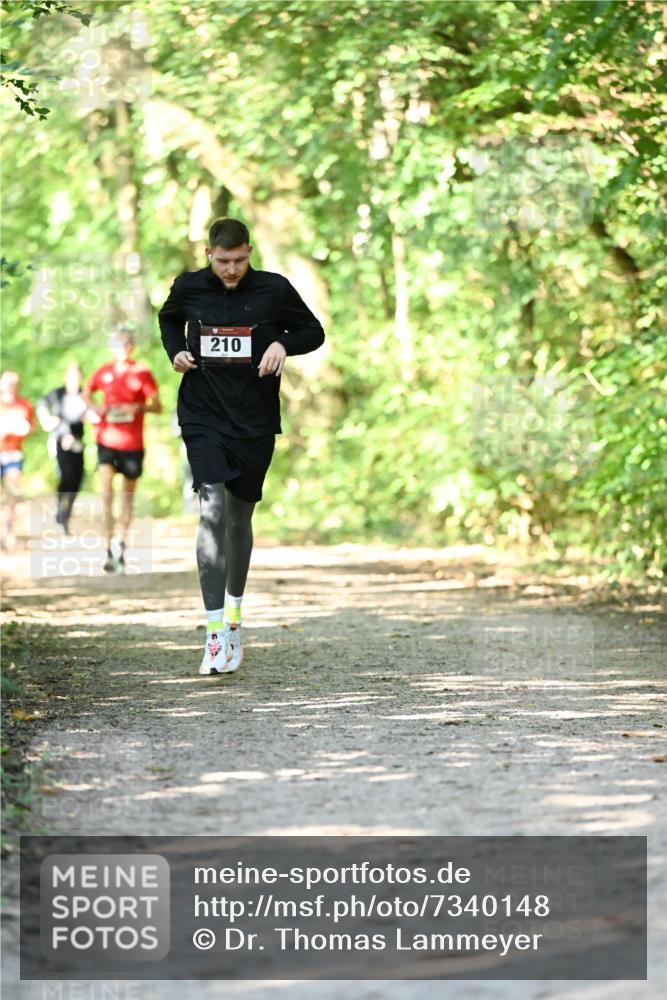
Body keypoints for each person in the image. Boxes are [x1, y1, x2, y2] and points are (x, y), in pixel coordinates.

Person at [158, 217, 324, 675]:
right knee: (211, 510)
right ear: (209, 253)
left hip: (253, 420)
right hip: (202, 413)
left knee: (239, 518)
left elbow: (314, 331)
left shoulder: (274, 289)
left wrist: (281, 345)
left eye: (239, 260)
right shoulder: (189, 287)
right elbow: (168, 319)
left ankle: (233, 619)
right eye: (223, 261)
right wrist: (175, 350)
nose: (231, 270)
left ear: (250, 252)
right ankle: (213, 633)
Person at [83, 329, 161, 574]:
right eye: (117, 343)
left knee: (126, 499)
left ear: (132, 346)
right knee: (106, 495)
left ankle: (121, 547)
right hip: (106, 441)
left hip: (133, 445)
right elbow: (86, 393)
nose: (122, 347)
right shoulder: (103, 372)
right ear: (111, 346)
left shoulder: (141, 372)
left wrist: (138, 406)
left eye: (126, 343)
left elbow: (157, 405)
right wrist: (96, 406)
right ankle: (106, 549)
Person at [36, 363, 92, 534]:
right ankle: (61, 511)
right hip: (60, 442)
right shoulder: (58, 394)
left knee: (78, 478)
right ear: (66, 377)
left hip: (77, 443)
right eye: (72, 376)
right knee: (66, 476)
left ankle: (65, 514)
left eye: (78, 376)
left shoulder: (85, 395)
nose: (75, 380)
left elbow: (93, 412)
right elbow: (41, 404)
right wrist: (47, 420)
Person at [0, 370, 34, 549]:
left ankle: (7, 532)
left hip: (14, 453)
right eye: (7, 383)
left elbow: (30, 428)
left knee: (12, 492)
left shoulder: (24, 405)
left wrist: (22, 430)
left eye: (14, 383)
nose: (10, 387)